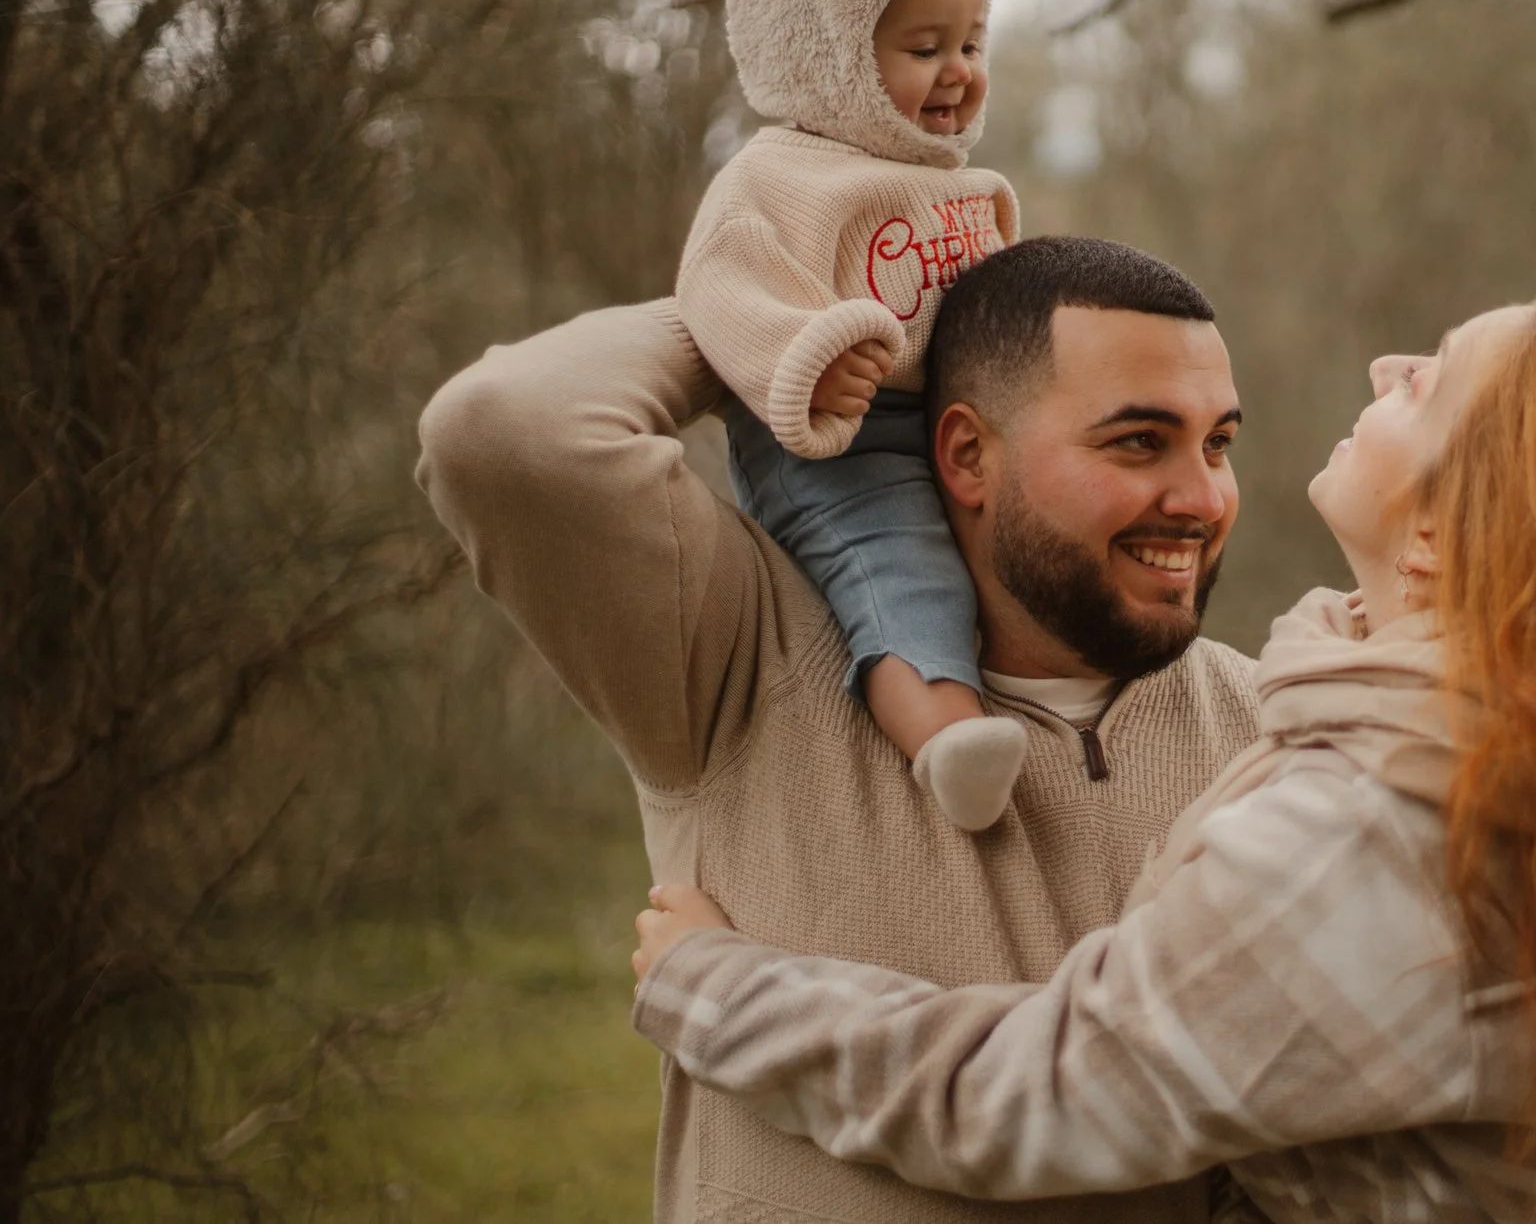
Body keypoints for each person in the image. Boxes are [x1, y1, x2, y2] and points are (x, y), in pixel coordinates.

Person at [630, 297, 1536, 1224]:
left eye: (1433, 380)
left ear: (1447, 537)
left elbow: (1040, 1090)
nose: (1384, 371)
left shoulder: (1381, 830)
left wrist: (714, 985)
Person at [416, 237, 1259, 1224]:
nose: (1202, 497)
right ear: (964, 453)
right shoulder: (743, 650)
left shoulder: (1277, 728)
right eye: (1137, 440)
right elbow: (501, 427)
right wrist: (779, 322)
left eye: (1219, 442)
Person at [677, 0, 1033, 831]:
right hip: (841, 439)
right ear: (827, 49)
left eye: (971, 40)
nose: (958, 70)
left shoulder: (953, 180)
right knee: (900, 562)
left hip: (957, 418)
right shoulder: (781, 177)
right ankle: (946, 739)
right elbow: (720, 287)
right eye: (924, 47)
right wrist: (811, 353)